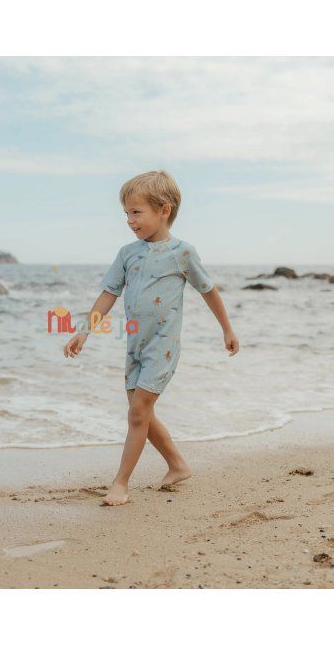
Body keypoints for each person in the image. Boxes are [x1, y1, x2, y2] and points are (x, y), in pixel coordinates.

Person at [63, 170, 240, 506]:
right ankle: (178, 465)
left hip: (163, 347)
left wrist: (227, 329)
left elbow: (209, 290)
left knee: (137, 413)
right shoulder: (127, 254)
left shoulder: (182, 253)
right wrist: (83, 332)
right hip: (135, 346)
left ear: (164, 210)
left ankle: (120, 484)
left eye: (136, 212)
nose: (129, 220)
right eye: (126, 213)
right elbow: (108, 294)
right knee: (140, 412)